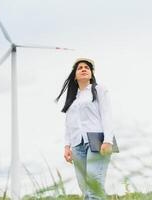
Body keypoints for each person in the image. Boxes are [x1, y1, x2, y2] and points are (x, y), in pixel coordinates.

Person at [55, 58, 114, 200]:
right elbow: (69, 124)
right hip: (77, 146)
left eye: (87, 67)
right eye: (80, 67)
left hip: (97, 141)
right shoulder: (72, 99)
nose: (83, 69)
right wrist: (66, 146)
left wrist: (108, 140)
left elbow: (107, 115)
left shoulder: (99, 89)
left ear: (91, 73)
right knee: (86, 190)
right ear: (75, 76)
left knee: (95, 188)